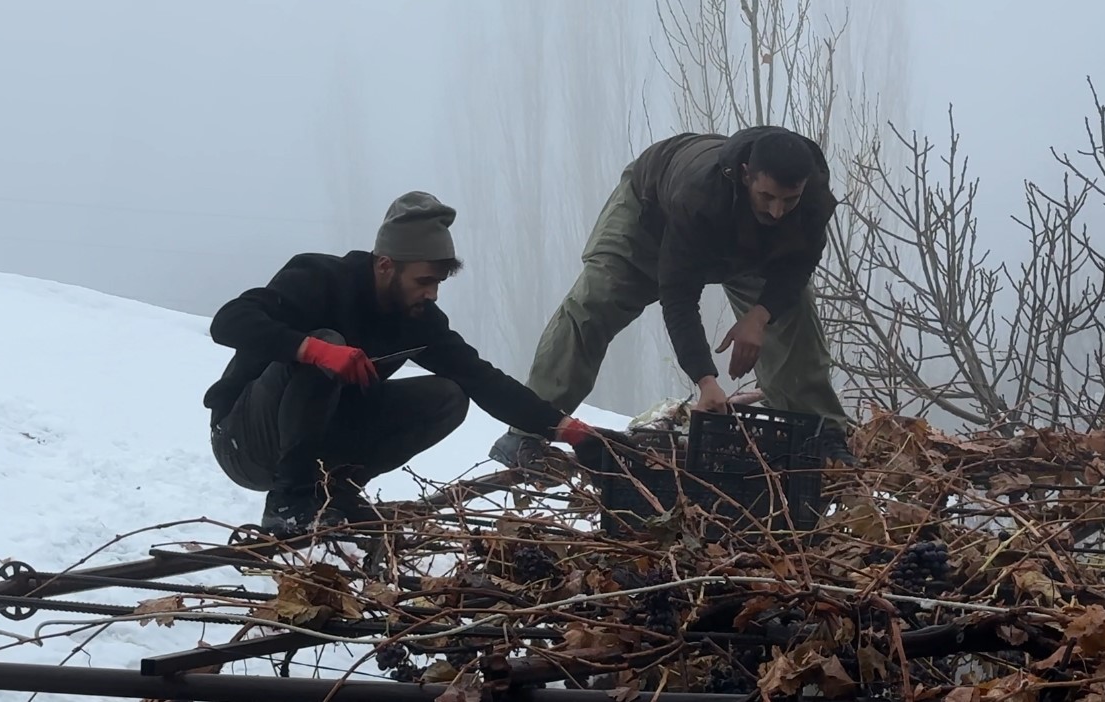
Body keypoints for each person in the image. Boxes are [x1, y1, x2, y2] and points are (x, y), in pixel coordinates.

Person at [204, 191, 628, 535]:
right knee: (328, 344)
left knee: (448, 395)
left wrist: (566, 429)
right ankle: (288, 504)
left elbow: (482, 379)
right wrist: (313, 350)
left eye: (438, 283)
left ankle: (339, 491)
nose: (432, 294)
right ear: (386, 266)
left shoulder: (418, 320)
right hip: (244, 439)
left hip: (319, 440)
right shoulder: (319, 279)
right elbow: (229, 322)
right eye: (423, 281)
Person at [490, 126, 858, 470]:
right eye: (767, 197)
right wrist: (705, 380)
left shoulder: (812, 202)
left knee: (792, 315)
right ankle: (528, 432)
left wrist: (760, 316)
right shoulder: (698, 195)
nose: (777, 210)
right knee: (594, 304)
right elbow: (678, 295)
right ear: (746, 174)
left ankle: (820, 434)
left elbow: (798, 267)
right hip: (652, 220)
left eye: (788, 200)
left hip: (750, 248)